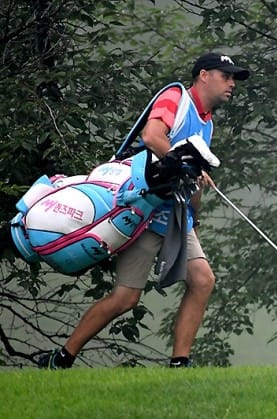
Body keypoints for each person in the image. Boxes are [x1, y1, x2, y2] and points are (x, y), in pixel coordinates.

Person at [38, 52, 250, 368]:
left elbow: (190, 179)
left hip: (176, 217)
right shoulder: (176, 97)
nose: (232, 83)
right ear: (204, 75)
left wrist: (195, 215)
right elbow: (152, 136)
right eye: (227, 76)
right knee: (125, 298)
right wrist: (186, 166)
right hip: (142, 212)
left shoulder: (207, 124)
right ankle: (63, 357)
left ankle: (180, 363)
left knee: (203, 280)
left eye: (234, 78)